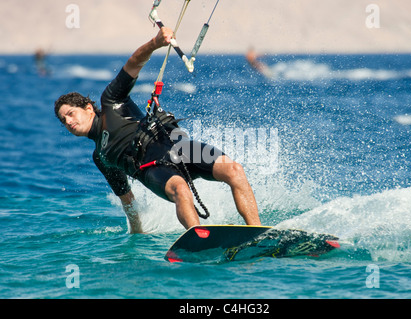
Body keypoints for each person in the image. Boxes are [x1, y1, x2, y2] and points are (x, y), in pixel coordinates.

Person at [54, 27, 261, 233]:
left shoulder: (111, 101)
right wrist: (136, 233)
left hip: (177, 146)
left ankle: (257, 232)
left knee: (234, 170)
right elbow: (127, 199)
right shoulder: (101, 156)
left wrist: (156, 43)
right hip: (152, 169)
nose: (68, 122)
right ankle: (199, 238)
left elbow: (133, 63)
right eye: (63, 121)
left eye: (71, 113)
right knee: (181, 189)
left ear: (88, 108)